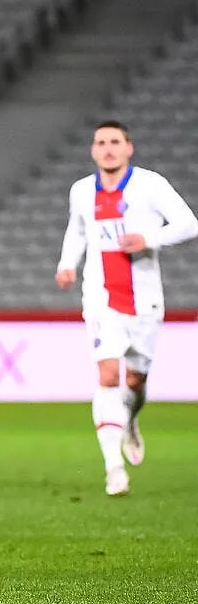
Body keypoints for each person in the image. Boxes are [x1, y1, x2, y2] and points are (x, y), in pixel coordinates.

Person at [55, 120, 197, 496]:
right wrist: (66, 264)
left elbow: (189, 224)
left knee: (135, 381)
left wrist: (150, 238)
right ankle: (113, 468)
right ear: (93, 150)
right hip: (100, 299)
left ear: (128, 148)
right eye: (100, 142)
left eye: (115, 141)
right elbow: (78, 230)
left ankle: (130, 418)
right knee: (107, 375)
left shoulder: (150, 185)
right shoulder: (82, 191)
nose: (108, 148)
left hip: (145, 300)